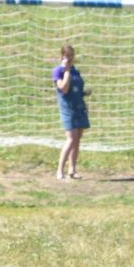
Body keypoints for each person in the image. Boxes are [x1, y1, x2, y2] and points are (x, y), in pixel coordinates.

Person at [52, 44, 88, 180]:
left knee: (77, 140)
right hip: (68, 109)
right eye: (67, 55)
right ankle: (59, 170)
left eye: (71, 55)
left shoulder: (76, 71)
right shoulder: (58, 71)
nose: (70, 58)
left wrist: (83, 93)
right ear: (62, 56)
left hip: (79, 107)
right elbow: (63, 89)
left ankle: (72, 170)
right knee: (71, 138)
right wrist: (66, 70)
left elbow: (76, 88)